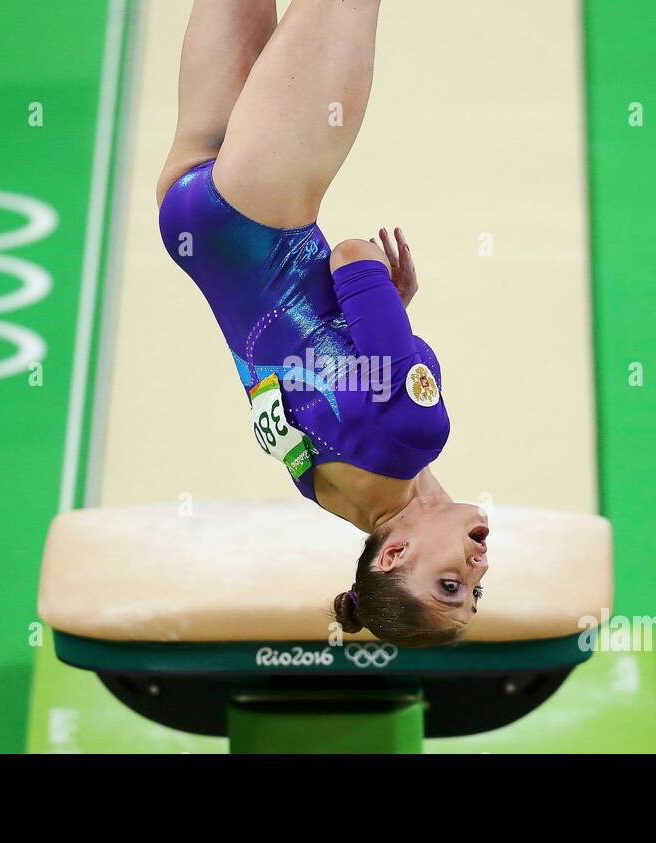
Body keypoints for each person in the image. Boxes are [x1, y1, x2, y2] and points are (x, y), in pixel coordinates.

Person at [156, 0, 487, 646]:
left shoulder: (417, 431)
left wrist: (386, 309)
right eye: (478, 591)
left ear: (392, 558)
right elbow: (311, 372)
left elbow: (351, 256)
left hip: (267, 203)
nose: (475, 570)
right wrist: (383, 324)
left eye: (449, 584)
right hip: (194, 220)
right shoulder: (329, 492)